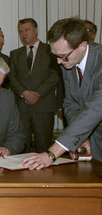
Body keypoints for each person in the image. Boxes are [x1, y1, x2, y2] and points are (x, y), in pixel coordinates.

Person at [21, 18, 102, 169]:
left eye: (63, 56)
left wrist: (52, 153)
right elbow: (70, 103)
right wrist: (79, 137)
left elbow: (95, 108)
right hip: (92, 141)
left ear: (83, 46)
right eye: (56, 56)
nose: (59, 62)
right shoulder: (68, 62)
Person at [8, 18, 61, 153]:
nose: (24, 34)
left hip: (43, 106)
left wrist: (37, 93)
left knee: (44, 146)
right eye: (21, 32)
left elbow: (55, 75)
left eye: (27, 30)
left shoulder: (51, 50)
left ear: (36, 30)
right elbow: (12, 77)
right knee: (20, 146)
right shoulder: (15, 54)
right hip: (22, 108)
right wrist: (24, 93)